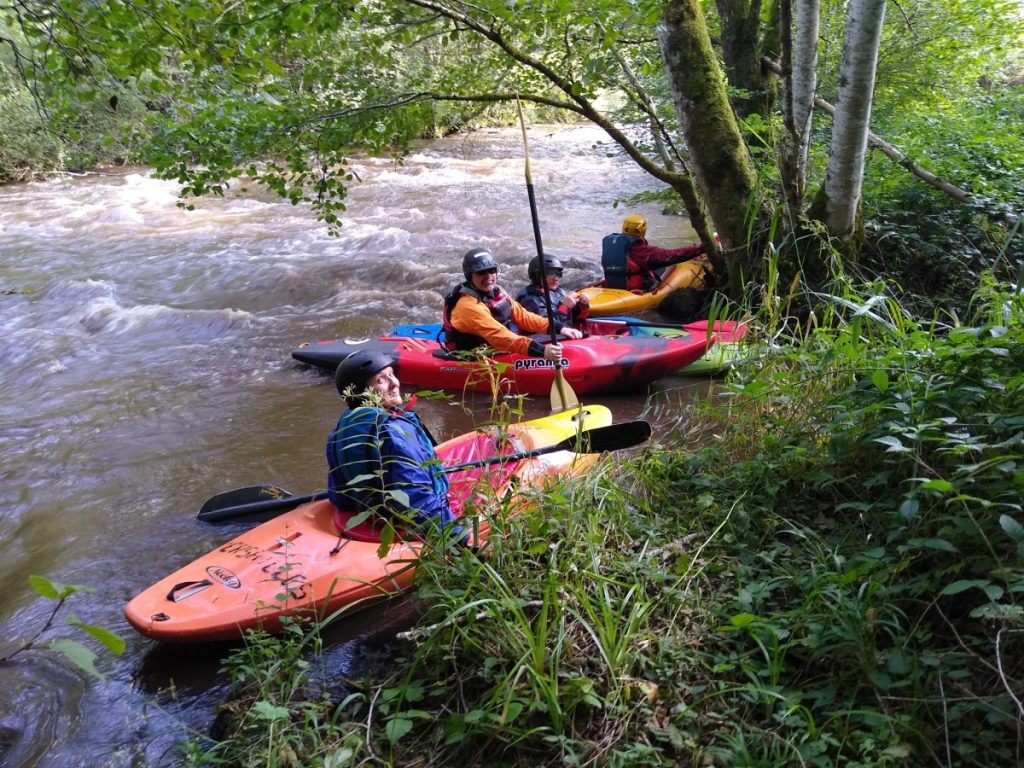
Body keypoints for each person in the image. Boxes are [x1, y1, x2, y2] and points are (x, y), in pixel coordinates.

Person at [326, 349, 463, 541]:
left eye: (391, 374)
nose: (395, 383)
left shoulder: (340, 428)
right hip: (403, 524)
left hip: (369, 516)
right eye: (381, 380)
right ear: (361, 392)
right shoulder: (394, 432)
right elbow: (416, 498)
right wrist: (460, 538)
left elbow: (339, 496)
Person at [442, 247, 583, 358]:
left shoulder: (497, 292)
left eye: (492, 271)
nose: (489, 276)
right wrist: (541, 351)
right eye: (481, 273)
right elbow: (500, 336)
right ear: (469, 275)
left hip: (495, 350)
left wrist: (559, 328)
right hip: (472, 358)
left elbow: (525, 317)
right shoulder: (468, 306)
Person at [601, 213, 706, 291]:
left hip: (611, 285)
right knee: (672, 264)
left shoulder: (611, 243)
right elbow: (671, 255)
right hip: (634, 290)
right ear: (643, 230)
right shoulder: (640, 250)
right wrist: (699, 248)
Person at [515, 253, 591, 330]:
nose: (556, 278)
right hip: (541, 339)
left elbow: (573, 318)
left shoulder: (558, 291)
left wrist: (582, 305)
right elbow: (550, 327)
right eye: (551, 273)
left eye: (558, 274)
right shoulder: (530, 299)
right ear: (537, 275)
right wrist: (565, 306)